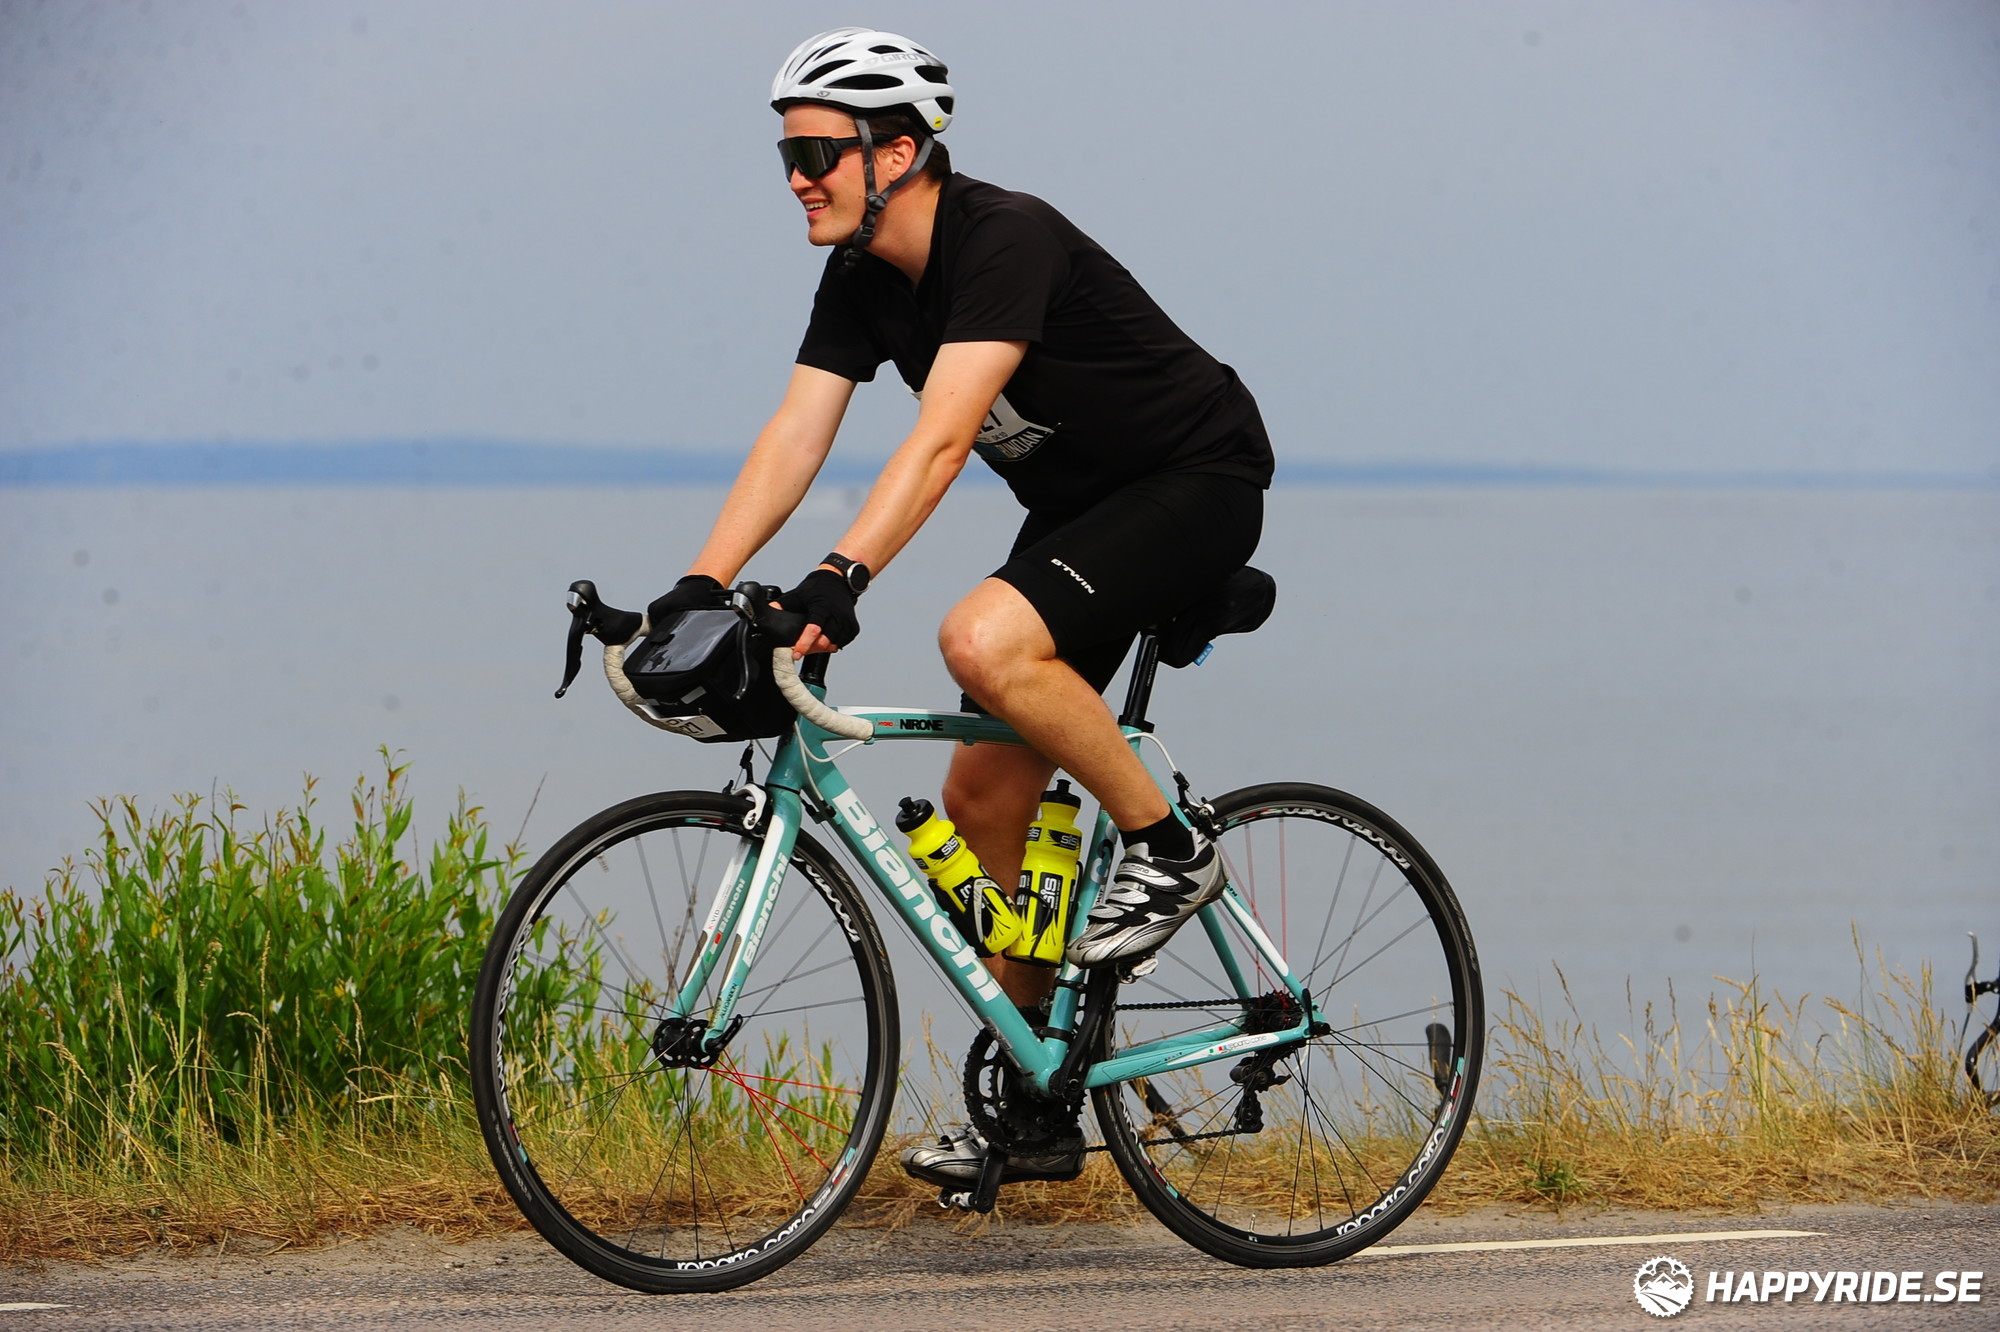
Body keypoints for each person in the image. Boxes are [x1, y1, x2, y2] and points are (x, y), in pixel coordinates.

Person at [647, 27, 1274, 1188]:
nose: (797, 178)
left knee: (979, 641)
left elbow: (939, 442)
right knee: (982, 795)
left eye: (817, 154)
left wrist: (840, 577)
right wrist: (697, 584)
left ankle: (1170, 849)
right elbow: (796, 434)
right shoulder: (859, 277)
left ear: (897, 152)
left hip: (1192, 482)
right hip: (1082, 512)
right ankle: (1037, 1097)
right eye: (786, 156)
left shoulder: (1001, 238)